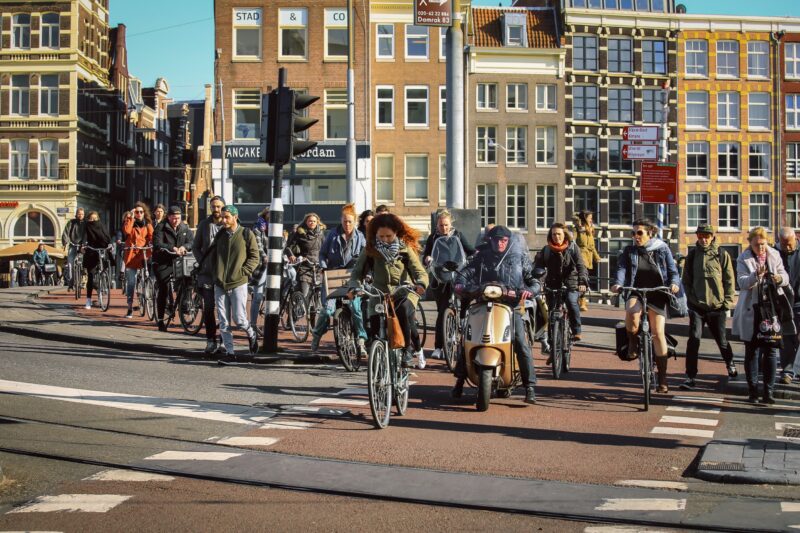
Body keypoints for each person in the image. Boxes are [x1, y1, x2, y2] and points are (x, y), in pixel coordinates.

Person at [453, 225, 539, 404]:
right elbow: (466, 272)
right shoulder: (481, 256)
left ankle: (530, 386)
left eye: (503, 240)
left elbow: (532, 279)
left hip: (510, 306)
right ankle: (460, 380)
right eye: (496, 240)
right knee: (468, 337)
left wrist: (530, 290)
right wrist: (460, 284)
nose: (499, 243)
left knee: (520, 341)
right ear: (489, 240)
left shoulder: (518, 257)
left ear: (508, 241)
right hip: (483, 303)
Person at [347, 213, 428, 368]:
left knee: (403, 310)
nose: (384, 239)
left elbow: (420, 272)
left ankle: (407, 351)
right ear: (375, 233)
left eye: (389, 236)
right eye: (381, 236)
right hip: (379, 293)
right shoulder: (370, 249)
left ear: (396, 233)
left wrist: (421, 284)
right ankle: (378, 358)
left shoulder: (405, 249)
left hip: (403, 291)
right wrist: (354, 286)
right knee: (376, 329)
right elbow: (357, 272)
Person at [611, 218, 681, 394]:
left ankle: (663, 378)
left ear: (650, 233)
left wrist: (674, 283)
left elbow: (673, 271)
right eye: (633, 233)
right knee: (632, 312)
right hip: (636, 289)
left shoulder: (662, 249)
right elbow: (622, 269)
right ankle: (633, 343)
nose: (636, 236)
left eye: (639, 233)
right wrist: (618, 284)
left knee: (657, 333)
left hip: (657, 292)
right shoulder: (629, 251)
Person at [733, 227, 794, 404]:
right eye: (757, 244)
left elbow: (785, 276)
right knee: (751, 350)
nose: (761, 248)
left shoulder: (774, 254)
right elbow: (742, 283)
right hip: (752, 309)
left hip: (771, 309)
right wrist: (755, 276)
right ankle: (753, 391)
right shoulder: (743, 258)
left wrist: (778, 279)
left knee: (771, 349)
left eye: (763, 244)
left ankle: (769, 391)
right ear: (750, 243)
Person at [679, 224, 737, 391]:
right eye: (700, 236)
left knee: (722, 340)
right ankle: (690, 376)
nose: (703, 239)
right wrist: (691, 299)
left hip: (716, 307)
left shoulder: (721, 254)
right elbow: (686, 281)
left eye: (707, 236)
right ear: (697, 236)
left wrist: (726, 302)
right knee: (694, 340)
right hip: (697, 307)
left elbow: (729, 280)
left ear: (712, 237)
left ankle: (730, 364)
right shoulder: (692, 256)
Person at [311, 204, 367, 353]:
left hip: (352, 277)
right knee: (327, 310)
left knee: (356, 309)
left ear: (354, 221)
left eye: (350, 221)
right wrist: (323, 267)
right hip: (333, 276)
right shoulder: (332, 234)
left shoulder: (360, 237)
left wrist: (366, 274)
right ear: (341, 221)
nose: (347, 225)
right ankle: (317, 334)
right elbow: (322, 254)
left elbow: (366, 257)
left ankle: (361, 341)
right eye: (344, 221)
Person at [422, 210, 475, 367]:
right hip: (440, 276)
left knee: (465, 297)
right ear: (437, 225)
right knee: (442, 310)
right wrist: (427, 259)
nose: (443, 228)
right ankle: (439, 346)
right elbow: (425, 255)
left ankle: (463, 320)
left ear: (450, 224)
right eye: (440, 225)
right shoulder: (433, 237)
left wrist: (475, 255)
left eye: (446, 225)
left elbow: (469, 249)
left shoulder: (458, 235)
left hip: (457, 273)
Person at [213, 205, 260, 363]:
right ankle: (230, 352)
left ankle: (251, 333)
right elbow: (213, 255)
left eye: (227, 217)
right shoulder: (220, 235)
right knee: (223, 320)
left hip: (238, 282)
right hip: (220, 283)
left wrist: (243, 272)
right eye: (222, 217)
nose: (224, 220)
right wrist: (215, 274)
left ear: (235, 217)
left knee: (239, 319)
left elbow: (255, 256)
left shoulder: (247, 234)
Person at [534, 222, 588, 345]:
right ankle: (553, 348)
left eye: (559, 234)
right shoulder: (546, 250)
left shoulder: (573, 248)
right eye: (553, 234)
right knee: (551, 314)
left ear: (565, 235)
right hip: (552, 284)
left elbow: (581, 266)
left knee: (571, 301)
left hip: (571, 283)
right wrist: (538, 281)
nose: (556, 237)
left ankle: (576, 331)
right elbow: (538, 267)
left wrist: (582, 282)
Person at [193, 196, 226, 354]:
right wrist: (202, 262)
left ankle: (224, 341)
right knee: (208, 307)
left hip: (224, 275)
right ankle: (210, 340)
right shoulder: (204, 225)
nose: (216, 209)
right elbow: (195, 247)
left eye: (219, 206)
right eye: (213, 206)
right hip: (206, 274)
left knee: (224, 309)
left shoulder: (228, 225)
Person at [152, 206, 194, 331]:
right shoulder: (161, 227)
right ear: (168, 217)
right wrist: (173, 248)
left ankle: (185, 303)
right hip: (162, 261)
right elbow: (157, 243)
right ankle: (160, 319)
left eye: (178, 218)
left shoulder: (185, 228)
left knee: (189, 278)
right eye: (174, 218)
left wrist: (185, 247)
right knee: (163, 287)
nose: (176, 221)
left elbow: (192, 242)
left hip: (179, 260)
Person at [121, 202, 154, 318]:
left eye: (141, 212)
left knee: (148, 275)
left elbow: (152, 236)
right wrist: (130, 217)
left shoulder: (148, 224)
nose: (139, 214)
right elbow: (127, 231)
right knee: (131, 282)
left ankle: (147, 296)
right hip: (131, 255)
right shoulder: (131, 222)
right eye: (137, 212)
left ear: (144, 213)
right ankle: (130, 307)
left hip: (144, 254)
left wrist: (151, 244)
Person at [284, 213, 325, 300]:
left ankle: (314, 310)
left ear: (317, 222)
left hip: (317, 266)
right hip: (304, 266)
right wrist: (291, 255)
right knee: (304, 293)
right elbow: (288, 247)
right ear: (306, 222)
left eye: (314, 221)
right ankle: (298, 308)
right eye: (310, 221)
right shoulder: (300, 233)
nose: (312, 223)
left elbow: (324, 248)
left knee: (318, 292)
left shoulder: (320, 234)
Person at [778, 228, 800, 384]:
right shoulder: (775, 253)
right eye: (784, 244)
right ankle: (787, 371)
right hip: (783, 302)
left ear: (796, 239)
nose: (787, 247)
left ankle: (793, 370)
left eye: (790, 244)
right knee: (786, 337)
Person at [81, 211, 111, 309]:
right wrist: (83, 245)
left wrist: (109, 244)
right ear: (88, 219)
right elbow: (84, 237)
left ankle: (103, 284)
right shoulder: (87, 227)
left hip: (102, 249)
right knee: (90, 275)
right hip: (91, 250)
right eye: (91, 219)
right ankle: (88, 300)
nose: (93, 221)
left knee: (104, 269)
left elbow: (106, 236)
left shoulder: (102, 225)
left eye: (95, 219)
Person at [572, 210, 601, 312]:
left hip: (588, 258)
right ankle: (582, 302)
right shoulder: (577, 228)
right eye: (590, 218)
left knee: (584, 278)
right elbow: (573, 242)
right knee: (583, 279)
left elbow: (592, 246)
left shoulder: (590, 230)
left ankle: (580, 300)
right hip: (581, 256)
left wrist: (597, 257)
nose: (591, 219)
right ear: (585, 218)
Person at [61, 207, 85, 290]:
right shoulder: (71, 222)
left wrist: (86, 243)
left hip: (83, 246)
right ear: (76, 214)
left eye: (82, 214)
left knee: (84, 263)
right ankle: (71, 284)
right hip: (72, 244)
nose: (80, 215)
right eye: (79, 214)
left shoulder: (86, 223)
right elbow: (66, 232)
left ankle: (82, 280)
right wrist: (65, 242)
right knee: (70, 264)